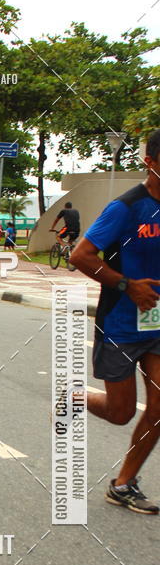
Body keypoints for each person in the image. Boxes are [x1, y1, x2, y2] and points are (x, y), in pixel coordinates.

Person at [70, 129, 160, 514]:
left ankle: (124, 484)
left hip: (157, 322)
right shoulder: (125, 208)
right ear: (150, 162)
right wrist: (126, 285)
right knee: (121, 413)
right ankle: (72, 398)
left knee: (159, 406)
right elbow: (81, 255)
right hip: (121, 323)